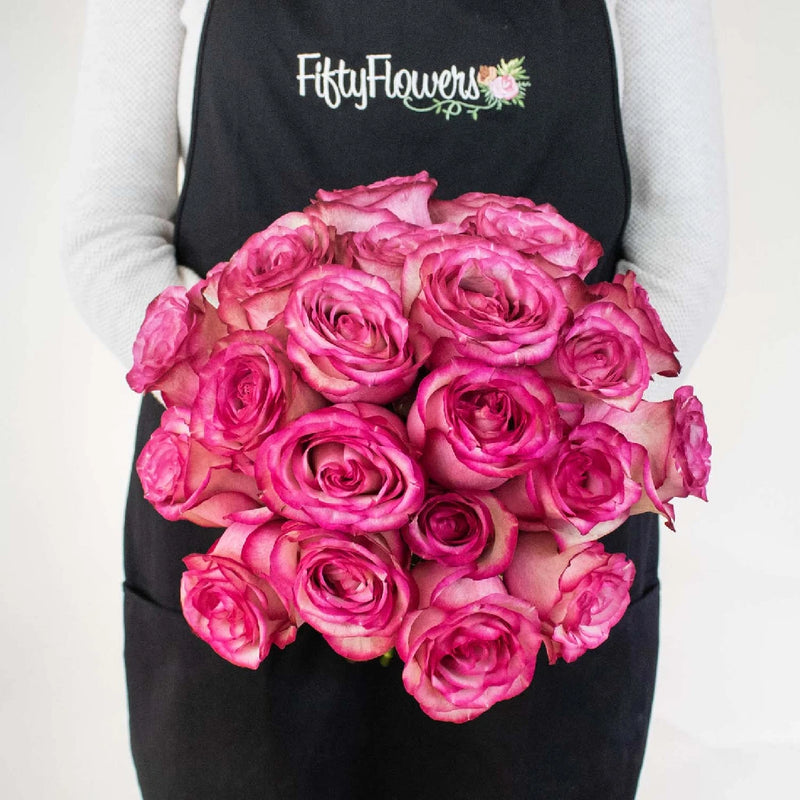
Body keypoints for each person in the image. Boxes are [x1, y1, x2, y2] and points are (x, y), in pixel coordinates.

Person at [62, 2, 727, 798]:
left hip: (532, 538)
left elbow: (681, 258)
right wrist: (292, 434)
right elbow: (108, 230)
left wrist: (503, 449)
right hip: (250, 541)